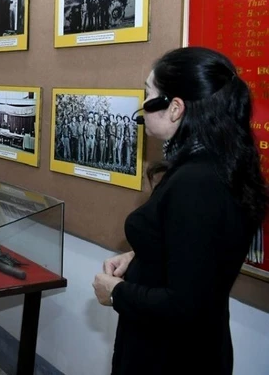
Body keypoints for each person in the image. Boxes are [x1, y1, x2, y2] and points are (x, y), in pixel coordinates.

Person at [92, 47, 267, 375]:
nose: (142, 107)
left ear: (174, 108)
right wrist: (141, 254)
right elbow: (199, 254)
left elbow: (186, 304)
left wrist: (116, 293)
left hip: (171, 357)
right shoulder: (216, 165)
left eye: (147, 94)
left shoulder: (197, 183)